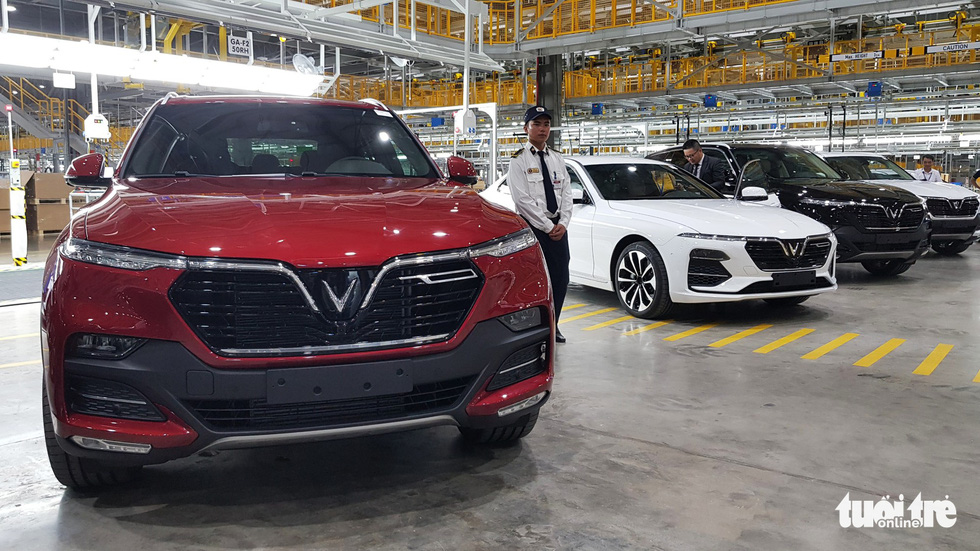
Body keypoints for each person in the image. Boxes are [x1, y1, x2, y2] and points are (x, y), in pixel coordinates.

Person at [508, 105, 573, 343]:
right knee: (533, 281)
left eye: (546, 124)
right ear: (527, 128)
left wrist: (563, 223)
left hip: (558, 229)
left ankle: (553, 325)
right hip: (533, 229)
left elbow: (567, 194)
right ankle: (534, 328)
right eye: (537, 124)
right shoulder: (518, 161)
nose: (542, 129)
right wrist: (547, 226)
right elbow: (521, 200)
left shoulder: (557, 159)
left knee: (560, 279)